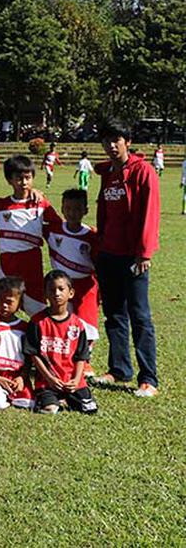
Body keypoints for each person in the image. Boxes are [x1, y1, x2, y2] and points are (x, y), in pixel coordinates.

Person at [94, 124, 160, 397]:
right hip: (108, 254)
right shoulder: (108, 173)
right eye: (106, 141)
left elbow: (150, 212)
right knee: (114, 315)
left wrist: (144, 252)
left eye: (116, 140)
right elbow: (103, 213)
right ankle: (119, 370)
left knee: (139, 316)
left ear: (127, 142)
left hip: (133, 256)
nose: (111, 146)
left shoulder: (143, 171)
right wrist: (99, 247)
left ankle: (149, 379)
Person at [0, 155, 61, 314]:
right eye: (19, 178)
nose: (24, 182)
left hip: (31, 264)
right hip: (6, 264)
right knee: (2, 309)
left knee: (38, 310)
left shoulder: (40, 203)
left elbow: (59, 226)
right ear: (9, 180)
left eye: (28, 178)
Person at [24, 271, 98, 414]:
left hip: (72, 382)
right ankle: (54, 400)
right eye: (52, 290)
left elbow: (81, 357)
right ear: (45, 294)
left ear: (71, 293)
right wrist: (49, 378)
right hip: (48, 382)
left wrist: (76, 380)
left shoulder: (77, 325)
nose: (57, 294)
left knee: (90, 409)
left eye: (61, 289)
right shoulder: (37, 322)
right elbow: (33, 354)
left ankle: (66, 398)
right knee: (50, 410)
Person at [45, 188, 100, 369]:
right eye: (68, 209)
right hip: (61, 285)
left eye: (77, 209)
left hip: (85, 286)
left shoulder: (92, 236)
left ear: (85, 210)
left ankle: (85, 361)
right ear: (62, 209)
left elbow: (99, 264)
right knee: (62, 320)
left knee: (86, 323)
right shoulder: (53, 230)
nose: (72, 213)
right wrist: (38, 195)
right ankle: (61, 358)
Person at [0, 277, 32, 410]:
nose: (4, 305)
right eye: (0, 300)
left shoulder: (24, 328)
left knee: (28, 403)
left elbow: (29, 357)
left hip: (16, 376)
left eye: (9, 302)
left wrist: (22, 377)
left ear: (20, 303)